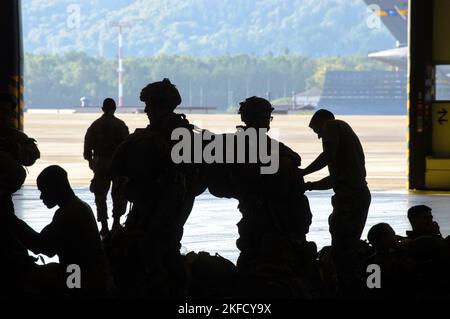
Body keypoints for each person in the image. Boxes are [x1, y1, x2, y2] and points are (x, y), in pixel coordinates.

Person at [207, 97, 315, 297]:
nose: (269, 120)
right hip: (264, 214)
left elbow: (293, 158)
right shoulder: (245, 145)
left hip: (270, 214)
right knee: (265, 264)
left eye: (269, 116)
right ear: (257, 118)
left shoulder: (254, 144)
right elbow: (245, 178)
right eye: (266, 116)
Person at [108, 78, 206, 297]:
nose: (146, 111)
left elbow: (187, 180)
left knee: (155, 257)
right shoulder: (160, 134)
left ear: (159, 107)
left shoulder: (174, 136)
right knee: (157, 256)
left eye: (149, 106)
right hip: (154, 209)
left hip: (164, 211)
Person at [301, 109, 371, 297]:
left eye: (316, 130)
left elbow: (327, 155)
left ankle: (347, 291)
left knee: (342, 250)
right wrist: (310, 186)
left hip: (350, 197)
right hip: (356, 195)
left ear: (322, 120)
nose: (318, 136)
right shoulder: (347, 138)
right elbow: (335, 179)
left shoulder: (332, 125)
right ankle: (353, 288)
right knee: (346, 247)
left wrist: (303, 172)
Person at [10, 165, 111, 296]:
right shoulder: (80, 206)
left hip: (80, 279)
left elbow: (43, 247)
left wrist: (12, 221)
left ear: (55, 188)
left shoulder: (67, 213)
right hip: (92, 275)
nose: (41, 197)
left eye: (44, 190)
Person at [84, 98, 129, 235]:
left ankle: (104, 225)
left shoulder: (95, 125)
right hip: (117, 164)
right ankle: (116, 223)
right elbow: (126, 146)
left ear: (102, 108)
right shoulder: (121, 125)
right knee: (119, 194)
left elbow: (87, 146)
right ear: (114, 108)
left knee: (100, 195)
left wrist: (91, 162)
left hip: (101, 163)